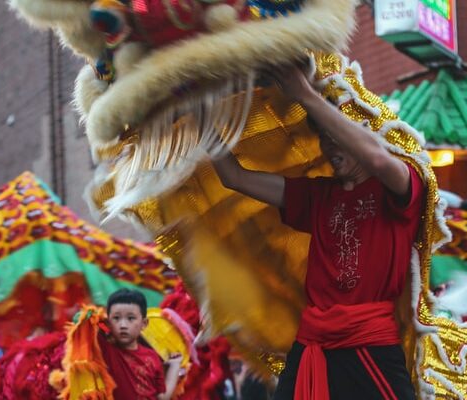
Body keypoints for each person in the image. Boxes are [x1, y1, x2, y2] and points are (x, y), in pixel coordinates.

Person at [211, 65, 422, 399]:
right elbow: (235, 178)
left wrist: (305, 95)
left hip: (369, 343)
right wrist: (201, 116)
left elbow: (380, 162)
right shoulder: (318, 195)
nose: (329, 147)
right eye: (324, 139)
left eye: (337, 137)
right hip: (313, 342)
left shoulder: (401, 185)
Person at [99, 288, 183, 400]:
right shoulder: (106, 349)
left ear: (144, 323)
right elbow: (88, 323)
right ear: (108, 323)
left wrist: (175, 366)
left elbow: (163, 397)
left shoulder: (152, 356)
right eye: (116, 318)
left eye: (131, 318)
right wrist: (86, 317)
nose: (123, 325)